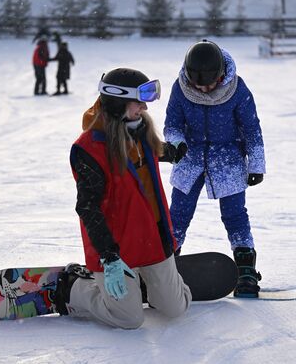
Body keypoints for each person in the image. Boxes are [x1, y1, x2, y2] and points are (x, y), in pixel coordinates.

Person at [51, 68, 192, 329]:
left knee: (176, 308)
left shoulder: (141, 131)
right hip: (114, 247)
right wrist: (109, 257)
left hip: (151, 239)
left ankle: (146, 285)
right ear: (117, 103)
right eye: (138, 101)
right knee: (129, 319)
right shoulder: (89, 149)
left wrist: (171, 152)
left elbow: (149, 154)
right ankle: (74, 287)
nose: (144, 107)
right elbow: (87, 207)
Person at [164, 40, 266, 298]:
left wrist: (256, 164)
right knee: (177, 214)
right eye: (198, 84)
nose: (204, 89)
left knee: (235, 215)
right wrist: (177, 144)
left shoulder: (238, 89)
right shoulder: (181, 88)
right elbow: (172, 125)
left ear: (221, 75)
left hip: (228, 156)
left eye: (209, 84)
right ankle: (164, 264)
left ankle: (245, 270)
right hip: (191, 156)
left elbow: (252, 129)